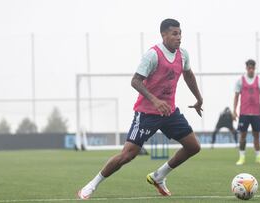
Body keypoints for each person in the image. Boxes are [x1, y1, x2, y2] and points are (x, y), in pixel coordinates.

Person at [77, 18, 203, 199]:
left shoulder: (183, 55)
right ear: (164, 35)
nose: (179, 37)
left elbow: (188, 74)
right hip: (146, 113)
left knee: (193, 146)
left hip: (169, 112)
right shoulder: (152, 55)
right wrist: (155, 100)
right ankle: (91, 185)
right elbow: (135, 81)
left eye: (180, 33)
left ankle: (159, 176)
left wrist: (198, 98)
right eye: (174, 33)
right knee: (127, 155)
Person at [232, 59, 260, 165]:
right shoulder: (240, 81)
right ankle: (241, 157)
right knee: (242, 135)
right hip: (244, 113)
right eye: (249, 68)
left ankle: (258, 157)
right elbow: (236, 97)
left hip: (256, 113)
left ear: (254, 68)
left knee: (256, 136)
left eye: (253, 68)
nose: (251, 70)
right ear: (246, 68)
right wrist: (234, 110)